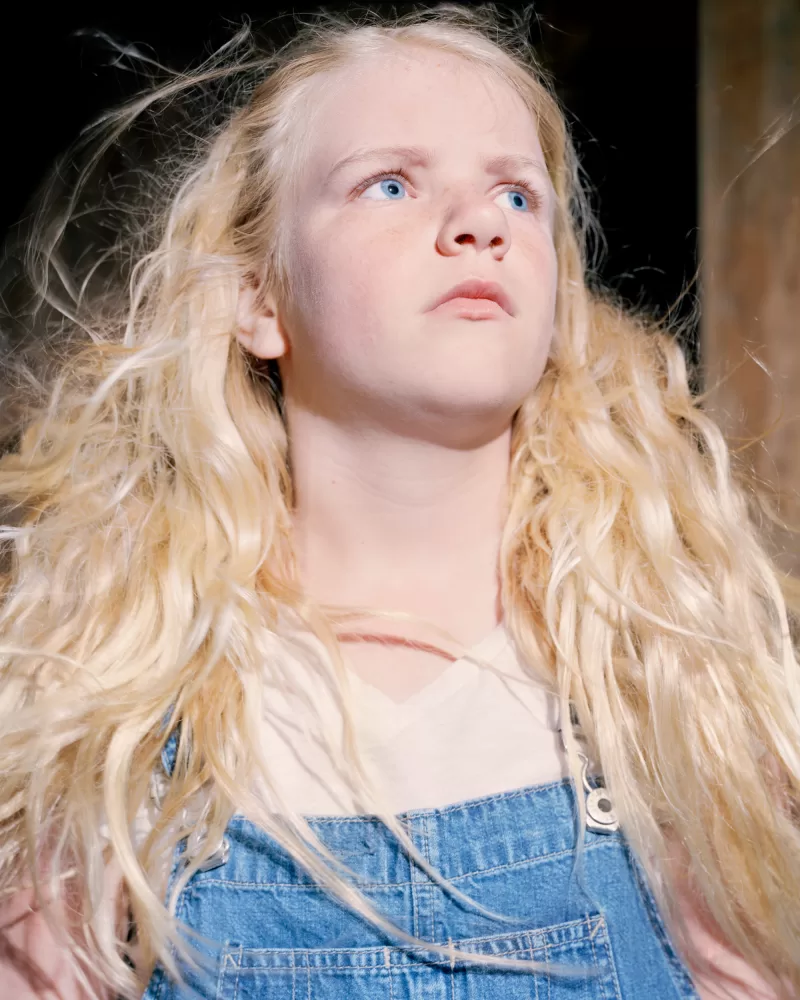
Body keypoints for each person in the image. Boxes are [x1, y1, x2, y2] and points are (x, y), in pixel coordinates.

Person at [1, 6, 798, 999]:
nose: (479, 223)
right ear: (258, 297)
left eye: (516, 193)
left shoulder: (669, 686)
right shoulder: (117, 721)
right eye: (389, 183)